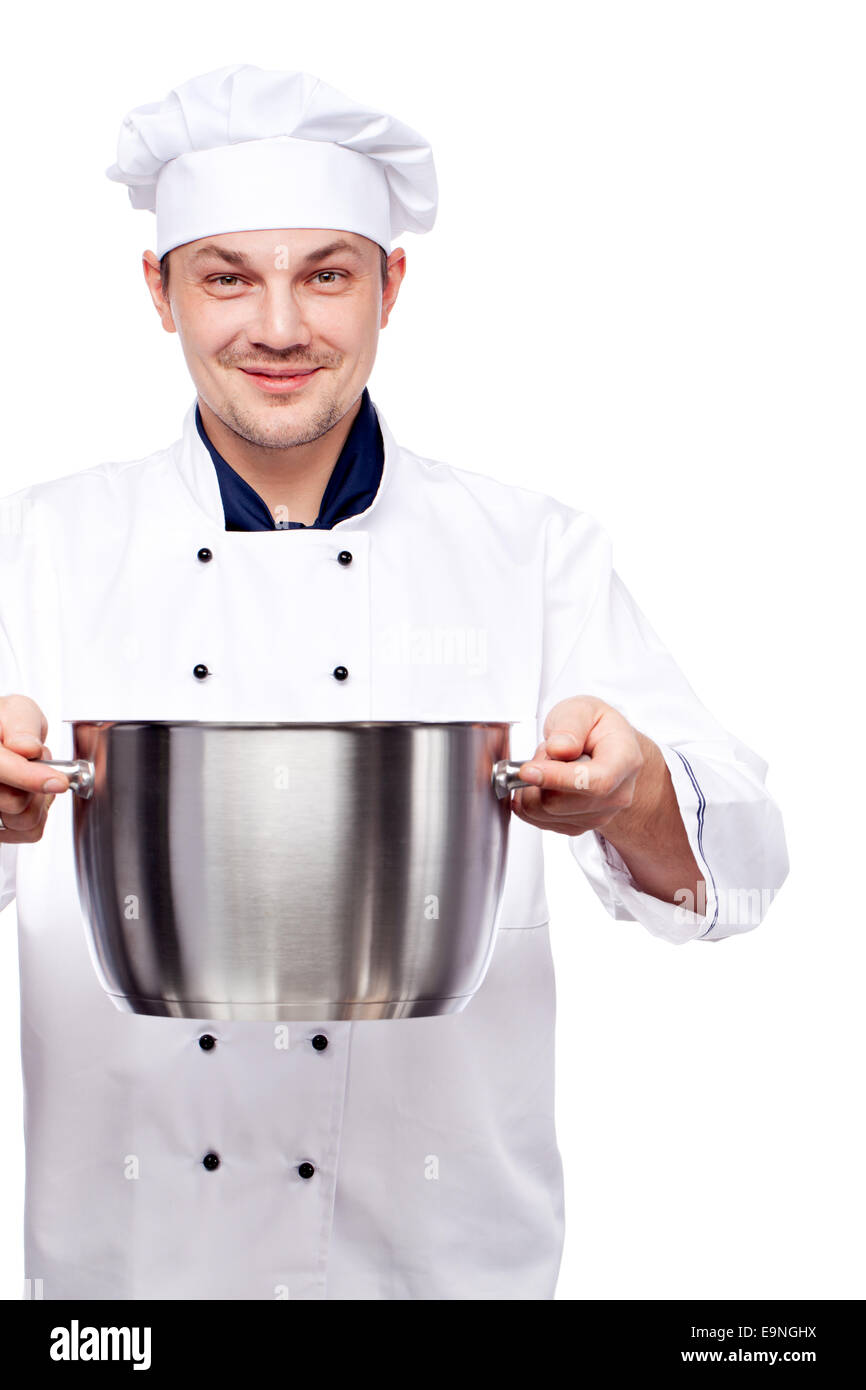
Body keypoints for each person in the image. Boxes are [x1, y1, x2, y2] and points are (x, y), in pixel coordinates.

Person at [0, 64, 788, 1301]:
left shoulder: (528, 549)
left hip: (443, 1274)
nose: (276, 325)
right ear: (157, 292)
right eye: (225, 276)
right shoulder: (38, 547)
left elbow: (743, 863)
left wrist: (628, 791)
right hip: (134, 1284)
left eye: (324, 273)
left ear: (390, 287)